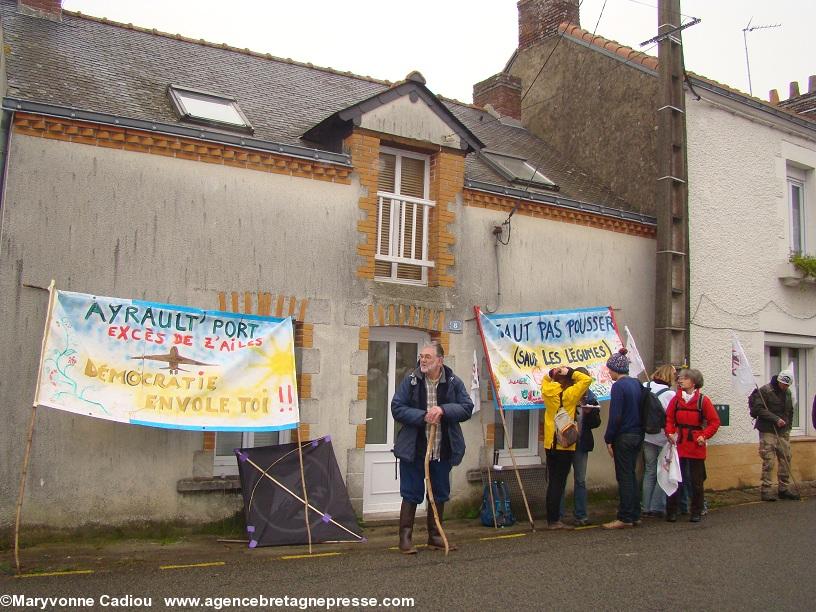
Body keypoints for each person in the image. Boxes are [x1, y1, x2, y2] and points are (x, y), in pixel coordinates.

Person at [391, 342, 474, 554]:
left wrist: (443, 410)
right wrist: (423, 416)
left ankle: (435, 536)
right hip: (414, 448)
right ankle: (405, 538)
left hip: (442, 448)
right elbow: (397, 408)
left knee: (439, 493)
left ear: (440, 360)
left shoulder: (453, 382)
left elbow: (467, 408)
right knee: (411, 493)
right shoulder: (411, 380)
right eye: (421, 356)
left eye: (428, 357)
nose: (423, 360)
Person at [540, 366, 593, 530]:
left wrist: (552, 374)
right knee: (559, 482)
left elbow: (544, 379)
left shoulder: (548, 390)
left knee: (553, 481)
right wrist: (571, 372)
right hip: (564, 443)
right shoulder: (570, 394)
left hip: (550, 442)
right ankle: (555, 521)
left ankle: (552, 517)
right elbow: (587, 380)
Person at [665, 368, 720, 522]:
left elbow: (714, 422)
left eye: (685, 378)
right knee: (675, 478)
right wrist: (669, 433)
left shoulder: (703, 401)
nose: (680, 380)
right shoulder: (675, 400)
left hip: (696, 443)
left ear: (693, 382)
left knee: (696, 480)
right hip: (679, 443)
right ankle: (672, 511)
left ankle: (696, 510)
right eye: (680, 378)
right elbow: (669, 419)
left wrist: (704, 435)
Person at [602, 348, 645, 529]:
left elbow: (616, 416)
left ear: (615, 370)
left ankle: (625, 516)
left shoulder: (618, 386)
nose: (609, 373)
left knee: (624, 476)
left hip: (624, 436)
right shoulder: (637, 384)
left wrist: (608, 438)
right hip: (637, 434)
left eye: (610, 370)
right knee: (632, 475)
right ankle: (635, 514)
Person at [559, 367, 601, 526]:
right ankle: (559, 514)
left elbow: (597, 423)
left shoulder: (590, 396)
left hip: (582, 443)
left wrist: (590, 414)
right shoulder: (567, 393)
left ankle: (581, 515)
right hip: (565, 442)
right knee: (561, 478)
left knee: (580, 480)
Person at [749, 369, 800, 501]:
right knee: (769, 461)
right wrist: (775, 419)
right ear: (779, 381)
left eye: (787, 385)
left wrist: (788, 428)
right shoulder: (765, 391)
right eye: (784, 385)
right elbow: (757, 409)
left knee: (786, 459)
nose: (785, 387)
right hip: (767, 430)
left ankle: (784, 488)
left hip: (783, 432)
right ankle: (766, 490)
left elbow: (790, 411)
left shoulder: (788, 393)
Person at [641, 364, 676, 518]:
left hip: (646, 435)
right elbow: (671, 417)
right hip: (663, 437)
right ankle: (657, 506)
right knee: (662, 471)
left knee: (649, 470)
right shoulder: (670, 394)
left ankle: (645, 506)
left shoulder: (644, 386)